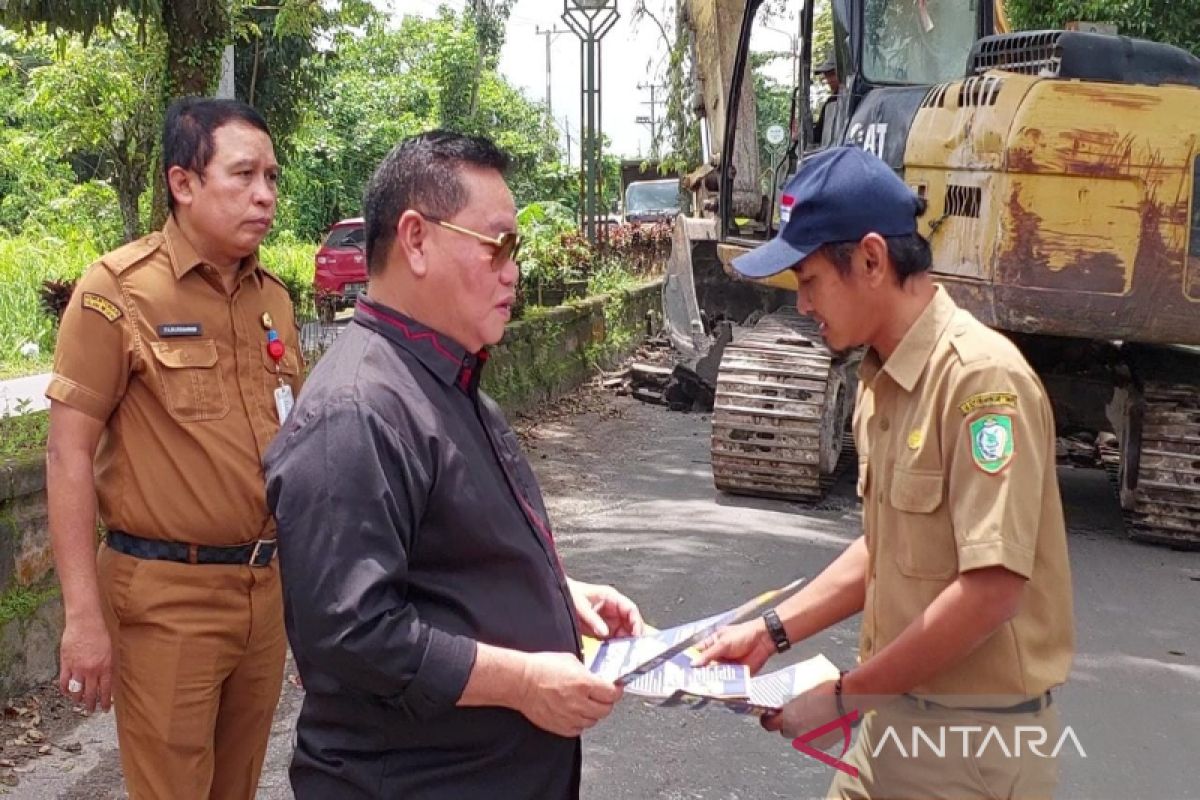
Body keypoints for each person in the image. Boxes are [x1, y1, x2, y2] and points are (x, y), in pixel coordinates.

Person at [263, 130, 643, 799]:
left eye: (514, 248)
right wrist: (525, 682)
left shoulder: (443, 380)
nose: (513, 269)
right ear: (415, 239)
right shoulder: (358, 409)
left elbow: (445, 557)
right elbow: (355, 631)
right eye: (497, 244)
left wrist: (560, 592)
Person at [695, 146, 1074, 799]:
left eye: (809, 280)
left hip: (970, 754)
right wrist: (770, 631)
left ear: (871, 260)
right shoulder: (880, 378)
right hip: (890, 728)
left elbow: (991, 590)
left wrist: (843, 696)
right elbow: (889, 545)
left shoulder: (981, 381)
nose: (805, 305)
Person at [44, 97, 302, 799]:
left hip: (263, 592)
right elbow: (67, 454)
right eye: (244, 174)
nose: (265, 195)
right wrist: (83, 617)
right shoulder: (118, 292)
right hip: (165, 599)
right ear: (183, 183)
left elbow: (293, 453)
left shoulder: (273, 301)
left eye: (273, 177)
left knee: (236, 789)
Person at [812, 52, 841, 146]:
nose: (829, 80)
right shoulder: (831, 102)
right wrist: (800, 134)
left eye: (832, 74)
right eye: (827, 76)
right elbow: (819, 134)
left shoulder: (862, 99)